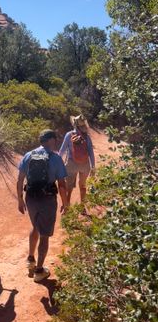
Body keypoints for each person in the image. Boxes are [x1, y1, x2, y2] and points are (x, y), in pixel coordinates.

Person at [17, 129, 68, 283]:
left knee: (35, 226)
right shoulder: (56, 158)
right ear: (51, 140)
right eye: (55, 139)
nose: (57, 142)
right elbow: (62, 185)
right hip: (47, 199)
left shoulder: (28, 155)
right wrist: (66, 203)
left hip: (30, 198)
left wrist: (20, 200)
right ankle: (39, 271)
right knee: (44, 235)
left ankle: (30, 258)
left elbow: (20, 180)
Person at [59, 115, 95, 210]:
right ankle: (82, 207)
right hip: (85, 165)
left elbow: (62, 150)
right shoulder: (87, 137)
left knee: (68, 187)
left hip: (71, 164)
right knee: (82, 186)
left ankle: (67, 207)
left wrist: (58, 162)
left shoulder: (69, 135)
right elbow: (91, 152)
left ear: (74, 124)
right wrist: (93, 166)